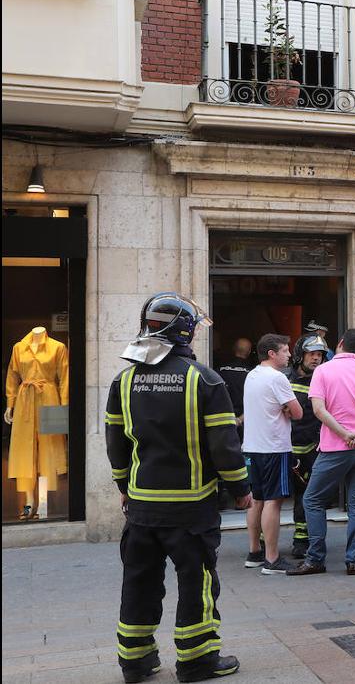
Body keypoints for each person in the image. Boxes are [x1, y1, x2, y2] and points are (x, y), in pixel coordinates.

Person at [105, 292, 251, 682]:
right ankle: (198, 661)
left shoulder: (124, 380)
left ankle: (135, 662)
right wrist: (240, 488)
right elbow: (224, 445)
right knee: (197, 581)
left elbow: (115, 443)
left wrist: (124, 484)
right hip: (191, 508)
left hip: (141, 506)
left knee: (139, 580)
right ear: (184, 330)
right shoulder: (203, 379)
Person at [287, 328, 355, 577]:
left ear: (340, 343)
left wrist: (344, 435)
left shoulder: (323, 371)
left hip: (335, 448)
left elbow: (320, 411)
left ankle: (315, 559)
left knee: (312, 500)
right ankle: (353, 560)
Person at [241, 333, 301, 575]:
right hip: (274, 447)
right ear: (272, 353)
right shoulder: (278, 379)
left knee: (256, 499)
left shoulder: (251, 375)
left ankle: (255, 552)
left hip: (253, 446)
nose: (289, 355)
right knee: (273, 502)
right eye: (285, 350)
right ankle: (272, 558)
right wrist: (286, 408)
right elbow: (297, 413)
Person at [286, 333, 328, 559]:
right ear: (300, 354)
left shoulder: (322, 381)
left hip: (311, 450)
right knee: (273, 497)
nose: (316, 359)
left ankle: (301, 541)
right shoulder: (284, 378)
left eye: (320, 355)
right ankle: (264, 542)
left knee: (306, 496)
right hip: (283, 449)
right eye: (312, 354)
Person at [214, 337, 252, 431]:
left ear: (233, 349)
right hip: (245, 422)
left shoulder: (219, 371)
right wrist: (240, 419)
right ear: (249, 352)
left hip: (222, 421)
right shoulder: (252, 374)